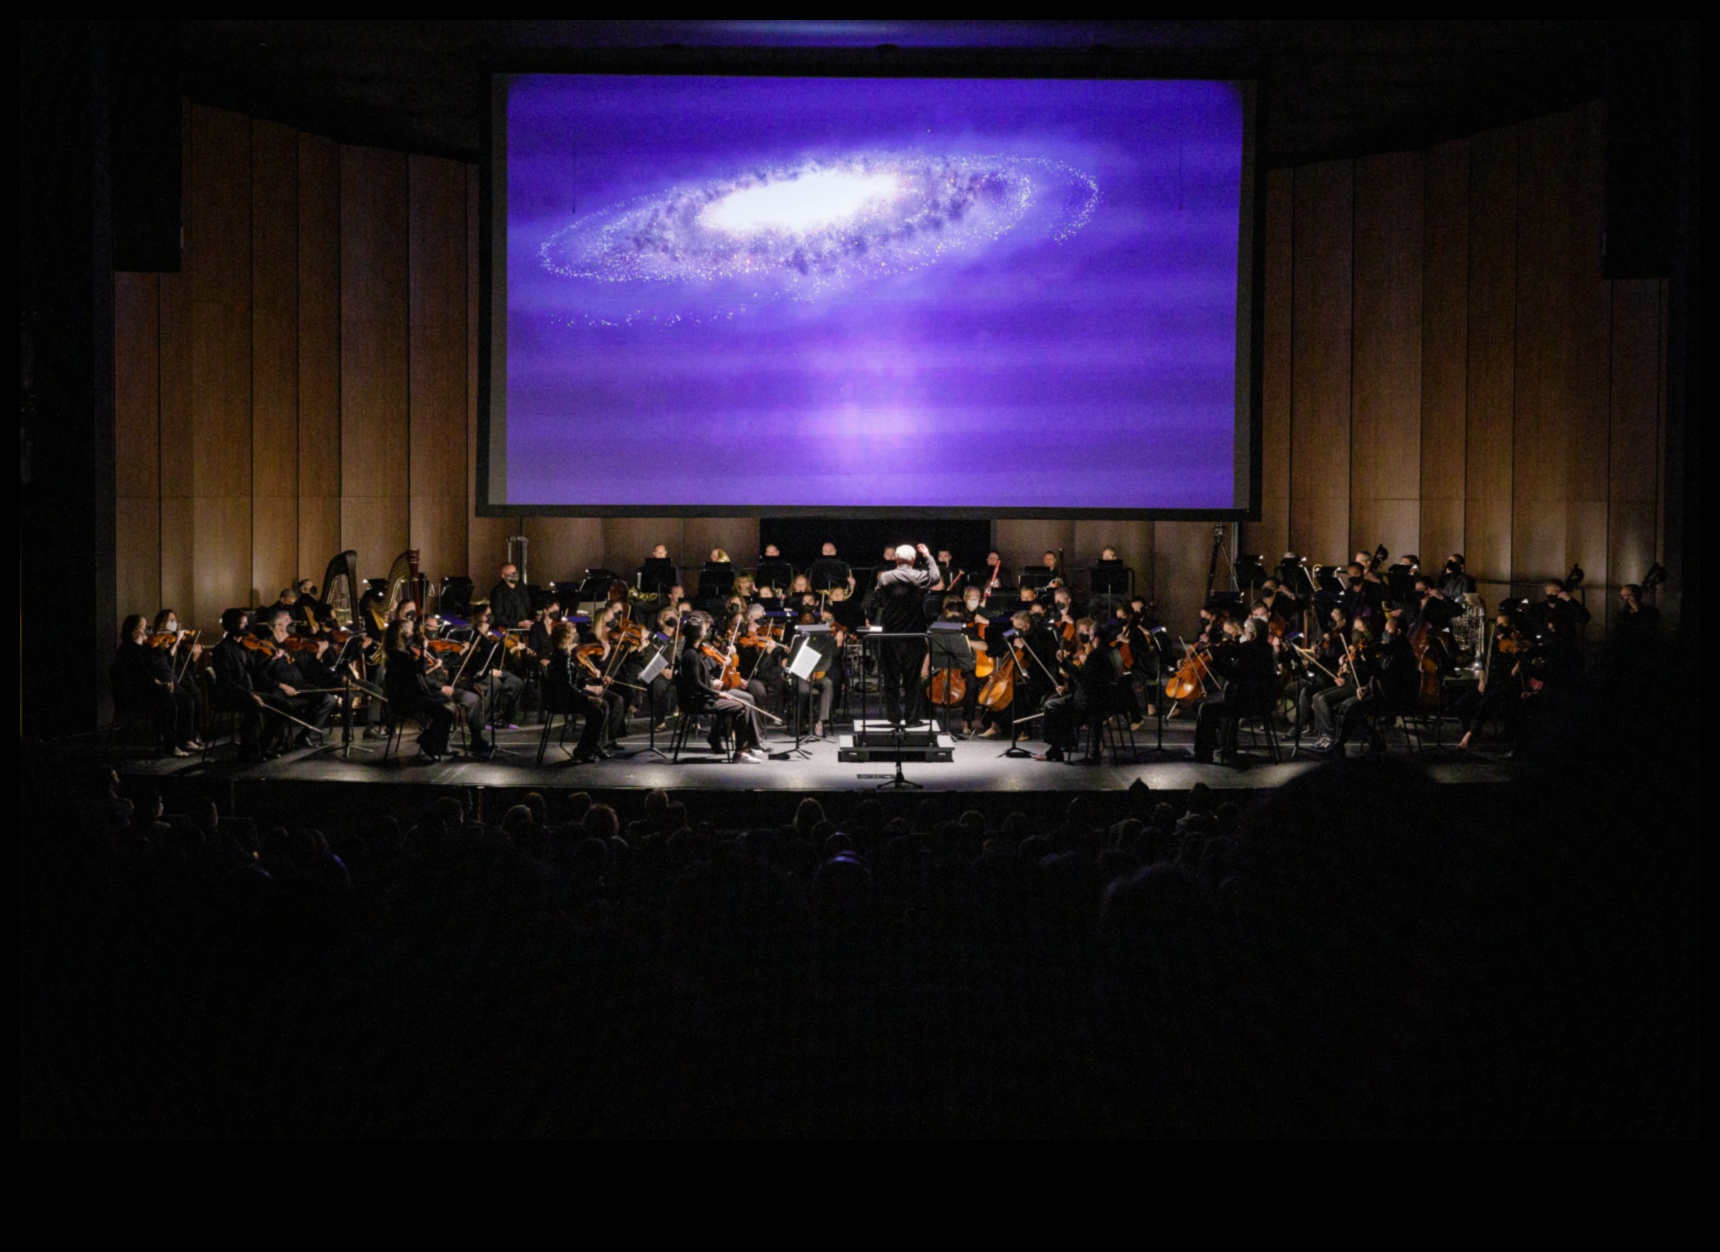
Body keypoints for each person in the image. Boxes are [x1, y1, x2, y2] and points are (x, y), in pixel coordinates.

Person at [674, 616, 765, 762]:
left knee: (745, 698)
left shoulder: (694, 651)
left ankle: (750, 745)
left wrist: (715, 687)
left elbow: (700, 678)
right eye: (704, 628)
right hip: (698, 701)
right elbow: (696, 683)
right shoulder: (690, 654)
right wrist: (718, 693)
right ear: (699, 633)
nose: (707, 629)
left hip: (704, 696)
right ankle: (740, 753)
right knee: (741, 707)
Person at [111, 613, 202, 755]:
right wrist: (161, 684)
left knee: (187, 699)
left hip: (156, 686)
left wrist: (165, 682)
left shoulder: (145, 648)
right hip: (139, 693)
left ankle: (185, 739)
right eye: (144, 627)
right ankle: (170, 746)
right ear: (136, 631)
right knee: (169, 703)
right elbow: (142, 674)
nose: (148, 629)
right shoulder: (129, 649)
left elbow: (158, 665)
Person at [872, 543, 940, 726]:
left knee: (891, 679)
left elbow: (877, 598)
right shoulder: (918, 576)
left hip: (890, 637)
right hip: (914, 636)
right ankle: (912, 719)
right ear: (913, 560)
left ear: (896, 558)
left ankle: (894, 718)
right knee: (913, 680)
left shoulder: (885, 577)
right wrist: (928, 556)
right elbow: (935, 577)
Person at [541, 620, 611, 763]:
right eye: (573, 635)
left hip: (565, 695)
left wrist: (585, 684)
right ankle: (582, 751)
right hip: (560, 699)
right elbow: (566, 687)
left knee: (603, 705)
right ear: (567, 639)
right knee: (596, 710)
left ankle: (593, 746)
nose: (576, 637)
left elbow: (570, 682)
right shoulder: (562, 658)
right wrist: (588, 698)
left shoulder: (562, 655)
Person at [489, 563, 533, 630]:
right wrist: (518, 623)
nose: (514, 575)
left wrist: (535, 616)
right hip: (508, 630)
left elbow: (528, 606)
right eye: (511, 573)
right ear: (503, 576)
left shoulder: (522, 587)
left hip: (526, 628)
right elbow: (498, 616)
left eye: (515, 572)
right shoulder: (498, 592)